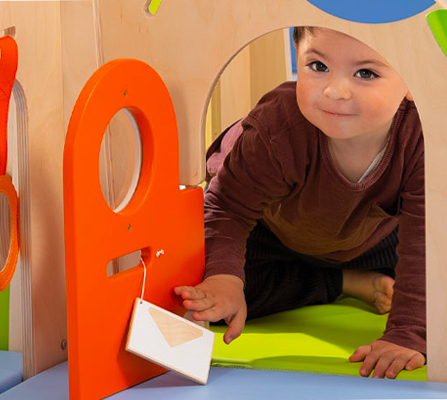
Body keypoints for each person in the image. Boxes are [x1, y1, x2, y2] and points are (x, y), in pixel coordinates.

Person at [175, 27, 425, 379]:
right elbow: (228, 208)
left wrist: (408, 333)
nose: (334, 91)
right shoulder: (277, 128)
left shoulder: (423, 136)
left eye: (366, 73)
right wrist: (224, 277)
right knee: (205, 302)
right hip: (267, 230)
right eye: (318, 66)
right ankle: (341, 282)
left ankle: (354, 276)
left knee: (431, 279)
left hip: (366, 234)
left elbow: (426, 239)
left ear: (415, 79)